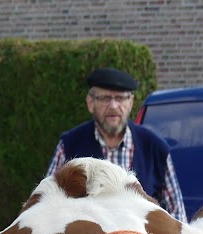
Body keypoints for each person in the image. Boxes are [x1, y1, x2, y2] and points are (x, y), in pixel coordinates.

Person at [47, 66, 187, 223]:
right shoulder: (69, 146)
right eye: (105, 98)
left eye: (120, 98)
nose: (113, 106)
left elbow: (177, 216)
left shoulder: (155, 148)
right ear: (90, 103)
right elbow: (47, 205)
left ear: (130, 103)